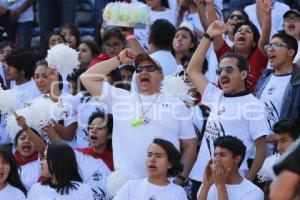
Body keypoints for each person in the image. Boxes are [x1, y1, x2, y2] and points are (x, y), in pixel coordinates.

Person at [81, 50, 197, 184]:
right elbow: (87, 78)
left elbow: (190, 144)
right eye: (139, 69)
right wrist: (118, 59)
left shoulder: (176, 103)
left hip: (164, 186)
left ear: (161, 76)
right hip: (126, 188)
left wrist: (180, 179)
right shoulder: (120, 99)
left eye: (150, 68)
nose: (144, 72)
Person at [186, 20, 269, 192]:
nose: (223, 74)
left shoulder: (254, 105)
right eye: (220, 71)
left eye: (229, 70)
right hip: (200, 179)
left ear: (244, 74)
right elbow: (192, 70)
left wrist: (248, 183)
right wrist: (208, 37)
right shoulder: (216, 96)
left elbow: (262, 150)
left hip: (232, 183)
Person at [205, 0, 272, 93]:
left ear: (254, 42)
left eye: (248, 31)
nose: (242, 32)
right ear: (234, 39)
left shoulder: (258, 58)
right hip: (222, 104)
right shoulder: (226, 54)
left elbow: (264, 38)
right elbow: (214, 31)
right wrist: (210, 4)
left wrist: (267, 15)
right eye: (239, 31)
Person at [113, 138, 188, 200]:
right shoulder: (131, 187)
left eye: (158, 156)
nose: (152, 159)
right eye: (149, 155)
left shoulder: (178, 193)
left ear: (170, 163)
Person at [198, 136, 264, 200]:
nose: (216, 159)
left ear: (237, 159)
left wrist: (221, 186)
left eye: (222, 155)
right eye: (215, 155)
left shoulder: (253, 192)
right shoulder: (207, 184)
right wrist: (205, 186)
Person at [255, 33, 299, 125]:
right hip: (262, 138)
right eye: (269, 46)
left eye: (276, 45)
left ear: (290, 52)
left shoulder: (297, 82)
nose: (270, 49)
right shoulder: (263, 79)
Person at [27, 143, 94, 200]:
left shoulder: (82, 190)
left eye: (45, 158)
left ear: (58, 161)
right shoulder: (36, 189)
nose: (41, 162)